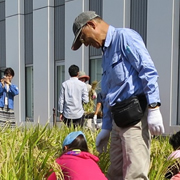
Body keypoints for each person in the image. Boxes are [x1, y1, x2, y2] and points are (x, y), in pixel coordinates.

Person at [71, 11, 164, 180]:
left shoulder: (125, 38)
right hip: (117, 121)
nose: (85, 44)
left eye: (83, 38)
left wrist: (154, 107)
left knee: (134, 174)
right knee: (115, 174)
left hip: (135, 117)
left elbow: (147, 71)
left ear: (91, 25)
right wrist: (106, 127)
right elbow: (108, 94)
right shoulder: (106, 54)